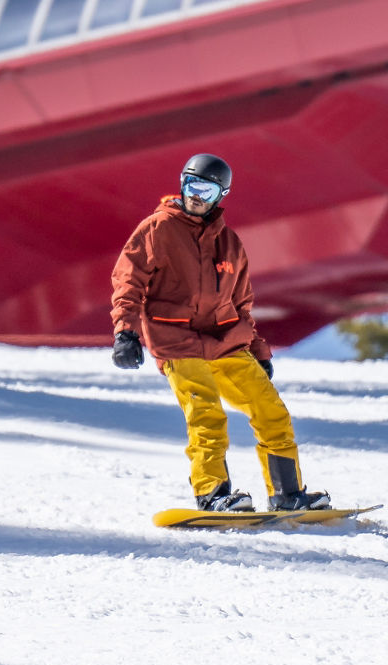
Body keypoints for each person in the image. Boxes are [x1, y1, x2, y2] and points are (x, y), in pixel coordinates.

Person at [109, 154, 330, 513]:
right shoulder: (157, 229)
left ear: (220, 195)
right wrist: (126, 333)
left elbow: (241, 304)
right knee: (207, 416)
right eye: (192, 185)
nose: (197, 196)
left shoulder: (230, 244)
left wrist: (257, 350)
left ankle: (287, 494)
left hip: (226, 342)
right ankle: (213, 494)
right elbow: (128, 281)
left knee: (271, 411)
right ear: (182, 183)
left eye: (207, 190)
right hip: (176, 342)